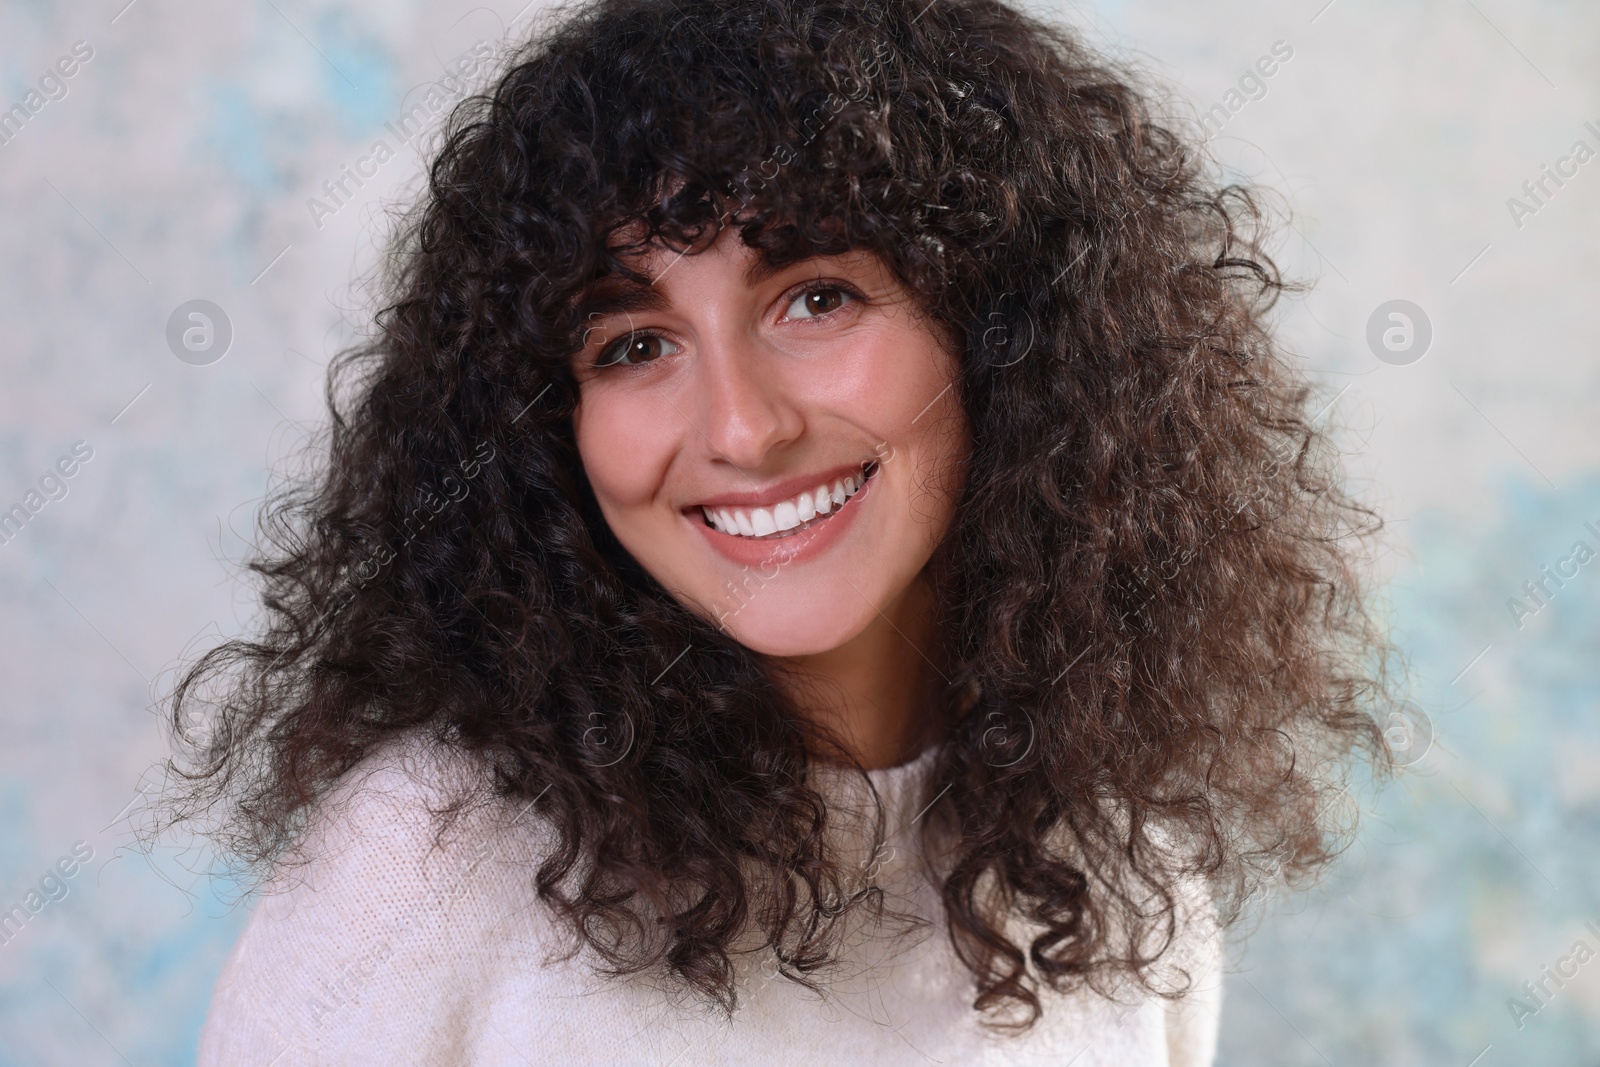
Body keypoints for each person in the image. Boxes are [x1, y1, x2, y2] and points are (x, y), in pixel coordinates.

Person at [168, 0, 1401, 1062]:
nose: (743, 428)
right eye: (633, 344)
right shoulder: (423, 866)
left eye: (817, 297)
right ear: (545, 426)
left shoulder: (1126, 871)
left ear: (1004, 332)